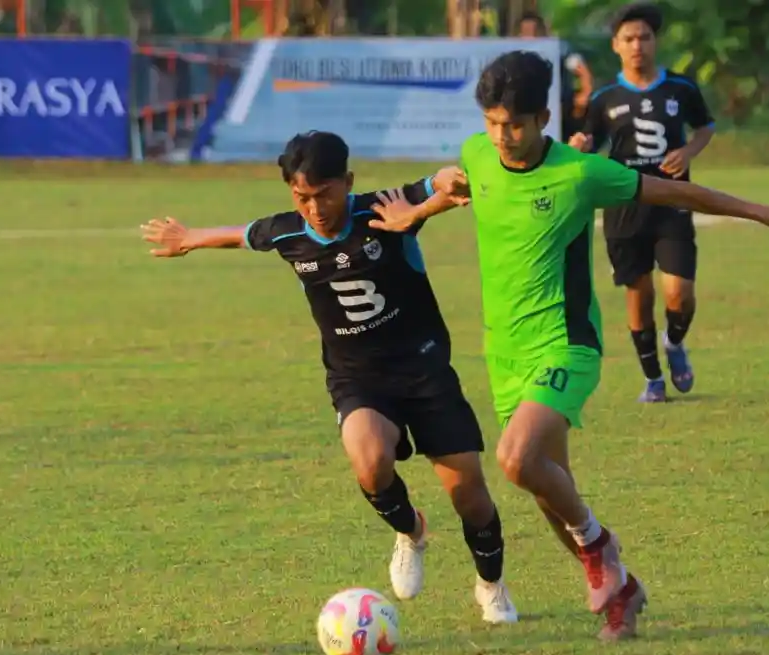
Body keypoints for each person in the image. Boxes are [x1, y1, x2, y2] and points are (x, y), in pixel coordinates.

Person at [370, 51, 769, 640]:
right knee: (548, 486)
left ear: (543, 119)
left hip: (566, 344)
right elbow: (465, 186)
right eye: (493, 123)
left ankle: (600, 546)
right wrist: (418, 210)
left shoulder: (581, 174)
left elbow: (678, 194)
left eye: (516, 124)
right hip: (505, 354)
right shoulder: (478, 154)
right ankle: (622, 594)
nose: (502, 137)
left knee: (516, 460)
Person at [139, 131, 518, 624]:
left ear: (348, 182)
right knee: (369, 462)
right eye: (302, 197)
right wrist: (188, 239)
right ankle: (412, 531)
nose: (315, 208)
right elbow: (243, 233)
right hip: (358, 379)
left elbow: (439, 183)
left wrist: (446, 183)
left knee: (469, 494)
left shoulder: (382, 209)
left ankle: (491, 585)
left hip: (425, 372)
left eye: (325, 194)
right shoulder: (288, 233)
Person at [570, 2, 716, 403]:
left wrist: (687, 152)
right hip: (624, 207)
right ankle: (652, 379)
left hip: (673, 201)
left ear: (655, 42)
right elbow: (588, 142)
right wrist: (580, 145)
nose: (638, 45)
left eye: (645, 37)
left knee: (679, 293)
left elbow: (705, 127)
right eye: (629, 39)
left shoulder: (680, 88)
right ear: (617, 45)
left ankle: (674, 341)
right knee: (639, 294)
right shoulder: (604, 98)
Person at [517, 11, 594, 142]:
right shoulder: (514, 53)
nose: (531, 35)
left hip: (561, 110)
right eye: (526, 31)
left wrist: (585, 94)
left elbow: (582, 70)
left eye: (535, 30)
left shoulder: (560, 48)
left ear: (543, 31)